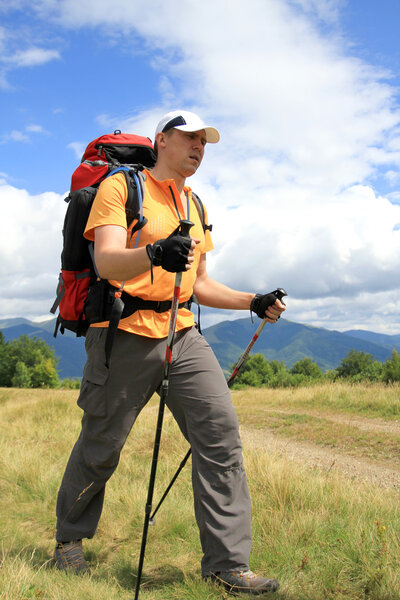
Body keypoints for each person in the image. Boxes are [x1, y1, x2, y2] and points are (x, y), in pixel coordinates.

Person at [54, 110, 286, 596]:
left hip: (181, 332)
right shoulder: (122, 188)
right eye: (190, 138)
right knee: (102, 445)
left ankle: (228, 565)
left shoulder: (195, 203)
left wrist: (253, 301)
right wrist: (155, 253)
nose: (200, 147)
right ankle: (70, 541)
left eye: (205, 141)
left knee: (221, 439)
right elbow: (107, 260)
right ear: (162, 141)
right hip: (123, 330)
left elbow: (199, 284)